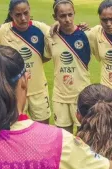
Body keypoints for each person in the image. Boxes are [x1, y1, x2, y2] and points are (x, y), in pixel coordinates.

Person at [0, 0, 52, 124]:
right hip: (14, 91)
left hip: (39, 89)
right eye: (18, 15)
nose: (23, 18)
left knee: (43, 128)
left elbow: (60, 34)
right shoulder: (2, 31)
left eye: (26, 13)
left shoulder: (41, 28)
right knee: (16, 127)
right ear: (11, 14)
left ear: (30, 10)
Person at [47, 0, 91, 133]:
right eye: (62, 16)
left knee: (85, 138)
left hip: (81, 94)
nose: (67, 19)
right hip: (60, 96)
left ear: (74, 14)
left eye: (70, 15)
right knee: (64, 139)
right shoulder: (50, 37)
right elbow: (44, 57)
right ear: (55, 17)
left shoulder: (86, 35)